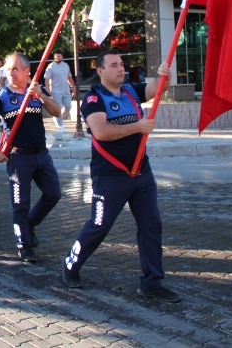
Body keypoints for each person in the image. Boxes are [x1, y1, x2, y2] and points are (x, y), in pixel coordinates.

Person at [61, 49, 180, 303]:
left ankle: (152, 282)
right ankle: (71, 263)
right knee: (99, 225)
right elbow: (101, 132)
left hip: (141, 171)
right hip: (110, 175)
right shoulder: (93, 98)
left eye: (122, 64)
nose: (120, 68)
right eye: (114, 65)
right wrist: (138, 126)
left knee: (151, 224)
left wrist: (165, 76)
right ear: (100, 71)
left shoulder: (130, 91)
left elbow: (156, 89)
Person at [0, 53, 62, 262]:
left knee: (53, 193)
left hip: (42, 155)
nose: (11, 73)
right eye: (8, 69)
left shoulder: (36, 90)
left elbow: (57, 112)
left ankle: (30, 224)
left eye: (15, 69)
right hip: (18, 158)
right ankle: (24, 246)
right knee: (20, 204)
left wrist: (42, 96)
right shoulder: (2, 96)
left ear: (27, 71)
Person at [44, 51, 76, 134]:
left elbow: (69, 77)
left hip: (66, 90)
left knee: (68, 106)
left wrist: (73, 87)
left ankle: (57, 117)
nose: (57, 58)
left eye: (58, 56)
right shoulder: (51, 66)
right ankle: (61, 126)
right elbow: (47, 79)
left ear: (62, 57)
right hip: (56, 91)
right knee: (58, 108)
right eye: (55, 56)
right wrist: (48, 90)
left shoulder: (66, 65)